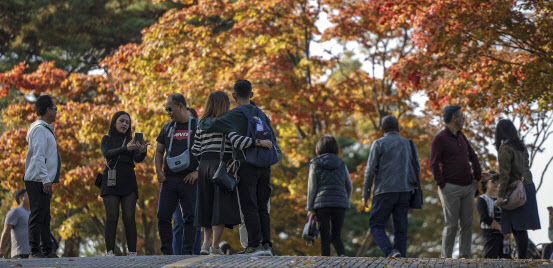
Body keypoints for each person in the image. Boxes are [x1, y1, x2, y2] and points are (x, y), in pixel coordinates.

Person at [199, 80, 282, 256]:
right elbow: (274, 141)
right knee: (262, 207)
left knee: (248, 205)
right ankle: (266, 245)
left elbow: (206, 125)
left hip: (246, 165)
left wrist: (202, 120)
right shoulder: (261, 114)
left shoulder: (235, 114)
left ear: (234, 96)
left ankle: (253, 245)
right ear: (252, 95)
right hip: (265, 166)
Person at [362, 116, 419, 258]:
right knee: (401, 229)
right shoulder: (410, 144)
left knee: (376, 225)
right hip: (405, 191)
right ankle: (401, 260)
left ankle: (391, 251)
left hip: (384, 191)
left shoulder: (378, 144)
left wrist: (366, 193)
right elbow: (417, 168)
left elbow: (370, 171)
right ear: (398, 128)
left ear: (382, 129)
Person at [431, 105, 482, 259]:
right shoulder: (439, 139)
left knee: (467, 225)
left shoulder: (461, 136)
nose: (463, 118)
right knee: (451, 225)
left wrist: (476, 179)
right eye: (462, 115)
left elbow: (473, 156)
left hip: (468, 187)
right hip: (450, 188)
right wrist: (442, 184)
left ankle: (464, 257)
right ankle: (445, 258)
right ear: (454, 118)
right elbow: (433, 163)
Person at [155, 93, 199, 255]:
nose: (168, 112)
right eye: (166, 110)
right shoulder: (167, 127)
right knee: (163, 216)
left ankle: (187, 253)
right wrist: (159, 171)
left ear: (181, 106)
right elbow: (159, 151)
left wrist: (197, 172)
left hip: (190, 180)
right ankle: (167, 253)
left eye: (170, 109)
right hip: (170, 179)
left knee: (190, 218)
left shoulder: (198, 126)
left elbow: (209, 152)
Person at [100, 111, 149, 256]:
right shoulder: (107, 139)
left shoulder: (132, 141)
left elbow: (138, 159)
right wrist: (125, 148)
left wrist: (143, 151)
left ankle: (132, 252)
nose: (124, 124)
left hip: (128, 181)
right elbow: (107, 153)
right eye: (121, 121)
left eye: (127, 122)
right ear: (114, 122)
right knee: (112, 216)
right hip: (110, 180)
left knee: (129, 217)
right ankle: (109, 252)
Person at [491, 119, 540, 259]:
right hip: (527, 187)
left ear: (499, 132)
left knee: (516, 226)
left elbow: (506, 174)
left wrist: (500, 195)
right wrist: (493, 175)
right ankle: (522, 259)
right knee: (521, 226)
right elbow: (518, 170)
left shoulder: (505, 148)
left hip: (514, 191)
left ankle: (521, 260)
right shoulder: (521, 147)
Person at [24, 94, 60, 258]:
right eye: (55, 108)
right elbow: (38, 156)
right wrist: (46, 179)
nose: (56, 112)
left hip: (43, 179)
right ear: (48, 110)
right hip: (37, 179)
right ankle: (34, 251)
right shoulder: (39, 130)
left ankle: (47, 250)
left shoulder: (44, 129)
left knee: (45, 216)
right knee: (38, 214)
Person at [306, 135, 352, 257]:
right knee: (336, 236)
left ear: (319, 148)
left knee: (325, 237)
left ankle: (325, 262)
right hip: (340, 204)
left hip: (322, 205)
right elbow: (349, 185)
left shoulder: (315, 163)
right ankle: (342, 256)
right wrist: (346, 201)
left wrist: (310, 208)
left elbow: (312, 188)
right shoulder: (341, 163)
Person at [172, 107, 202, 255]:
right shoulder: (171, 133)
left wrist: (197, 172)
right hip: (175, 182)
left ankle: (194, 256)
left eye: (190, 118)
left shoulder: (200, 132)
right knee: (178, 222)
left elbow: (209, 155)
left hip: (194, 183)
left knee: (195, 222)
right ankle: (176, 257)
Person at [476, 173, 509, 259]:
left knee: (507, 260)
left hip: (504, 236)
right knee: (490, 259)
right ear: (486, 183)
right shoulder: (482, 199)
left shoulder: (504, 199)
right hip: (490, 234)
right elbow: (484, 217)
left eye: (498, 181)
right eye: (493, 180)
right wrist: (500, 228)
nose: (496, 183)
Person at [0, 190, 31, 259]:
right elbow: (6, 231)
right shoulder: (15, 212)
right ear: (21, 198)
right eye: (29, 194)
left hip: (33, 255)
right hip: (20, 254)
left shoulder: (33, 214)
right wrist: (2, 249)